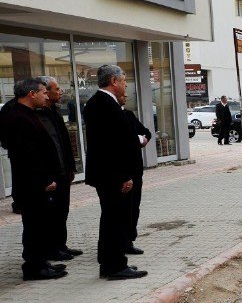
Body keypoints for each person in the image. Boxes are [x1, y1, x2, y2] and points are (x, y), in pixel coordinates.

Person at [82, 65, 147, 280]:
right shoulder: (104, 105)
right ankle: (115, 266)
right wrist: (124, 175)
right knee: (115, 220)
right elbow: (112, 145)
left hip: (107, 173)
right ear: (113, 80)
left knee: (112, 218)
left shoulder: (101, 103)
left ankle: (111, 263)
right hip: (111, 175)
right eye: (124, 80)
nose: (126, 84)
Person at [0, 78, 66, 280]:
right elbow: (27, 156)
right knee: (34, 226)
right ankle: (34, 267)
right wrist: (44, 180)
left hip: (36, 183)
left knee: (40, 224)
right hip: (32, 185)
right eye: (43, 92)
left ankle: (40, 261)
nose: (46, 96)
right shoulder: (18, 118)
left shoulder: (28, 114)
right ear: (31, 94)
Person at [37, 76, 83, 261]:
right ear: (46, 92)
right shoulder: (38, 115)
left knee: (62, 210)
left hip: (63, 170)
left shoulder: (53, 112)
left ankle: (61, 245)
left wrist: (71, 167)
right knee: (51, 213)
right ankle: (51, 249)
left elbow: (63, 142)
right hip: (51, 173)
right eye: (57, 88)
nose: (60, 91)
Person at [119, 91, 151, 255]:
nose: (125, 97)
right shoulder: (113, 115)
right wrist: (137, 139)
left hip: (135, 169)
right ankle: (119, 242)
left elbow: (147, 132)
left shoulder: (129, 115)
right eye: (123, 94)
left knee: (134, 206)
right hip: (120, 172)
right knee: (121, 209)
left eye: (126, 95)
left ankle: (129, 240)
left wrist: (141, 138)